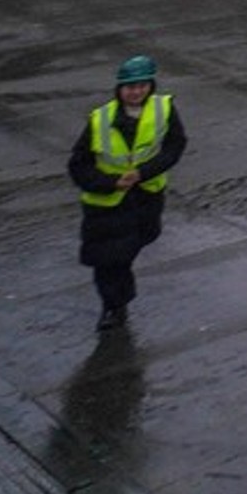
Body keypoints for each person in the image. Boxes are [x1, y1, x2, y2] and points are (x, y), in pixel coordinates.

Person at [69, 54, 186, 333]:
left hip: (145, 197)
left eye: (142, 86)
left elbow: (174, 146)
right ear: (119, 89)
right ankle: (113, 306)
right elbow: (79, 166)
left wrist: (144, 172)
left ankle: (117, 298)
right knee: (109, 259)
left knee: (130, 248)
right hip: (106, 205)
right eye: (130, 87)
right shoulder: (100, 120)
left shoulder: (164, 109)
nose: (136, 92)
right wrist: (110, 182)